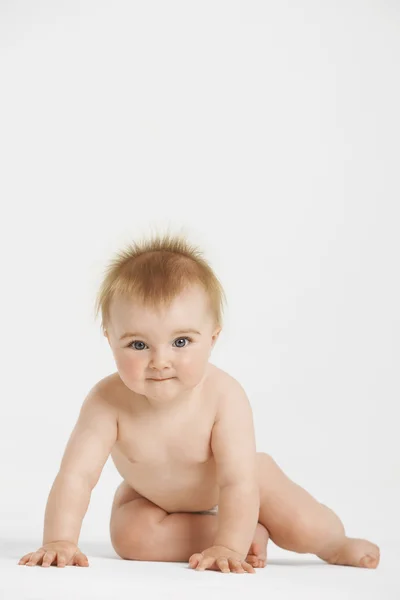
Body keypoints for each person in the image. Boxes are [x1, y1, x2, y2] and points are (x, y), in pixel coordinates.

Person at [18, 231, 380, 573]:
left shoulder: (224, 396)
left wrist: (229, 550)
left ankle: (335, 543)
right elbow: (76, 476)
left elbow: (237, 483)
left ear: (212, 337)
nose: (160, 360)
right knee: (130, 536)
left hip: (243, 483)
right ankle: (241, 534)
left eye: (180, 342)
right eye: (138, 345)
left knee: (303, 524)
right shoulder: (105, 402)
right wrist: (60, 540)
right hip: (153, 498)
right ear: (110, 340)